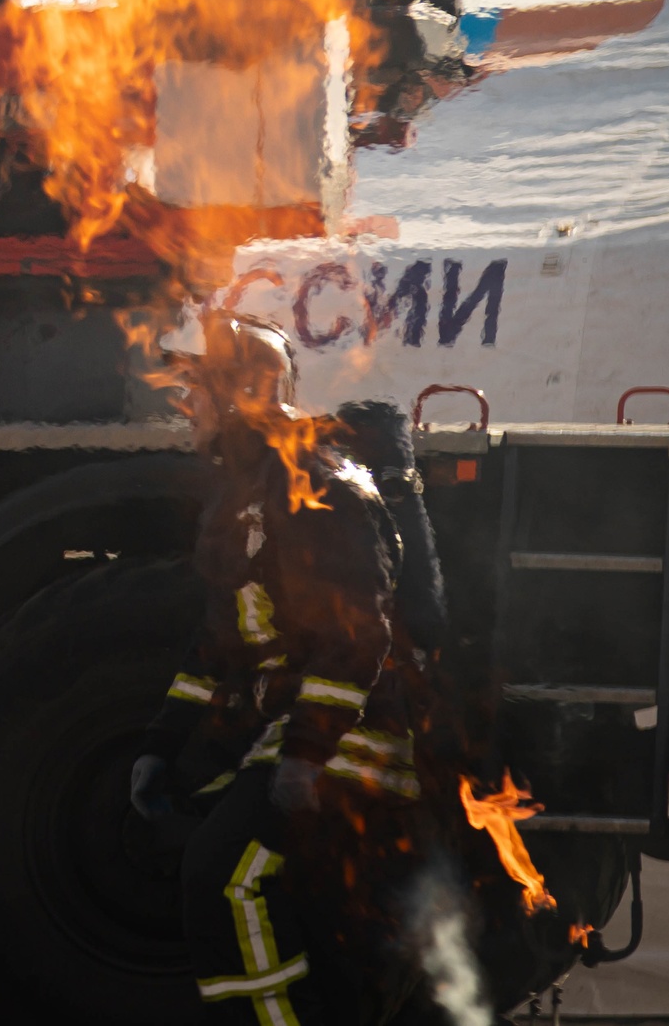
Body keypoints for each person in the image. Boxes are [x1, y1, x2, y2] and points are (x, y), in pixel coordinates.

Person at [129, 315, 414, 1026]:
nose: (184, 404)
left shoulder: (316, 483)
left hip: (355, 730)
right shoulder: (240, 491)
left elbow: (357, 630)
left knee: (225, 878)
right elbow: (222, 640)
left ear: (244, 391)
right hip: (287, 731)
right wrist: (163, 744)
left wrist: (306, 756)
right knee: (204, 865)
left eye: (197, 389)